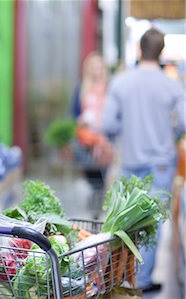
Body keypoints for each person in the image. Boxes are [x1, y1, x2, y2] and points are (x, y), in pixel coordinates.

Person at [101, 28, 185, 292]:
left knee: (126, 220)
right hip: (161, 162)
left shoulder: (121, 83)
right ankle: (144, 279)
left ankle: (122, 276)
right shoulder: (171, 84)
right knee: (153, 221)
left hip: (130, 160)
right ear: (161, 52)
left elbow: (107, 124)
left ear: (139, 48)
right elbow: (184, 121)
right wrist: (171, 132)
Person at [71, 52, 113, 218]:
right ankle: (95, 205)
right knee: (93, 175)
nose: (96, 71)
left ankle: (98, 206)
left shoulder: (110, 88)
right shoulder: (81, 87)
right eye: (93, 67)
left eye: (99, 67)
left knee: (103, 175)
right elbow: (73, 114)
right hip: (86, 141)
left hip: (105, 141)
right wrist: (81, 121)